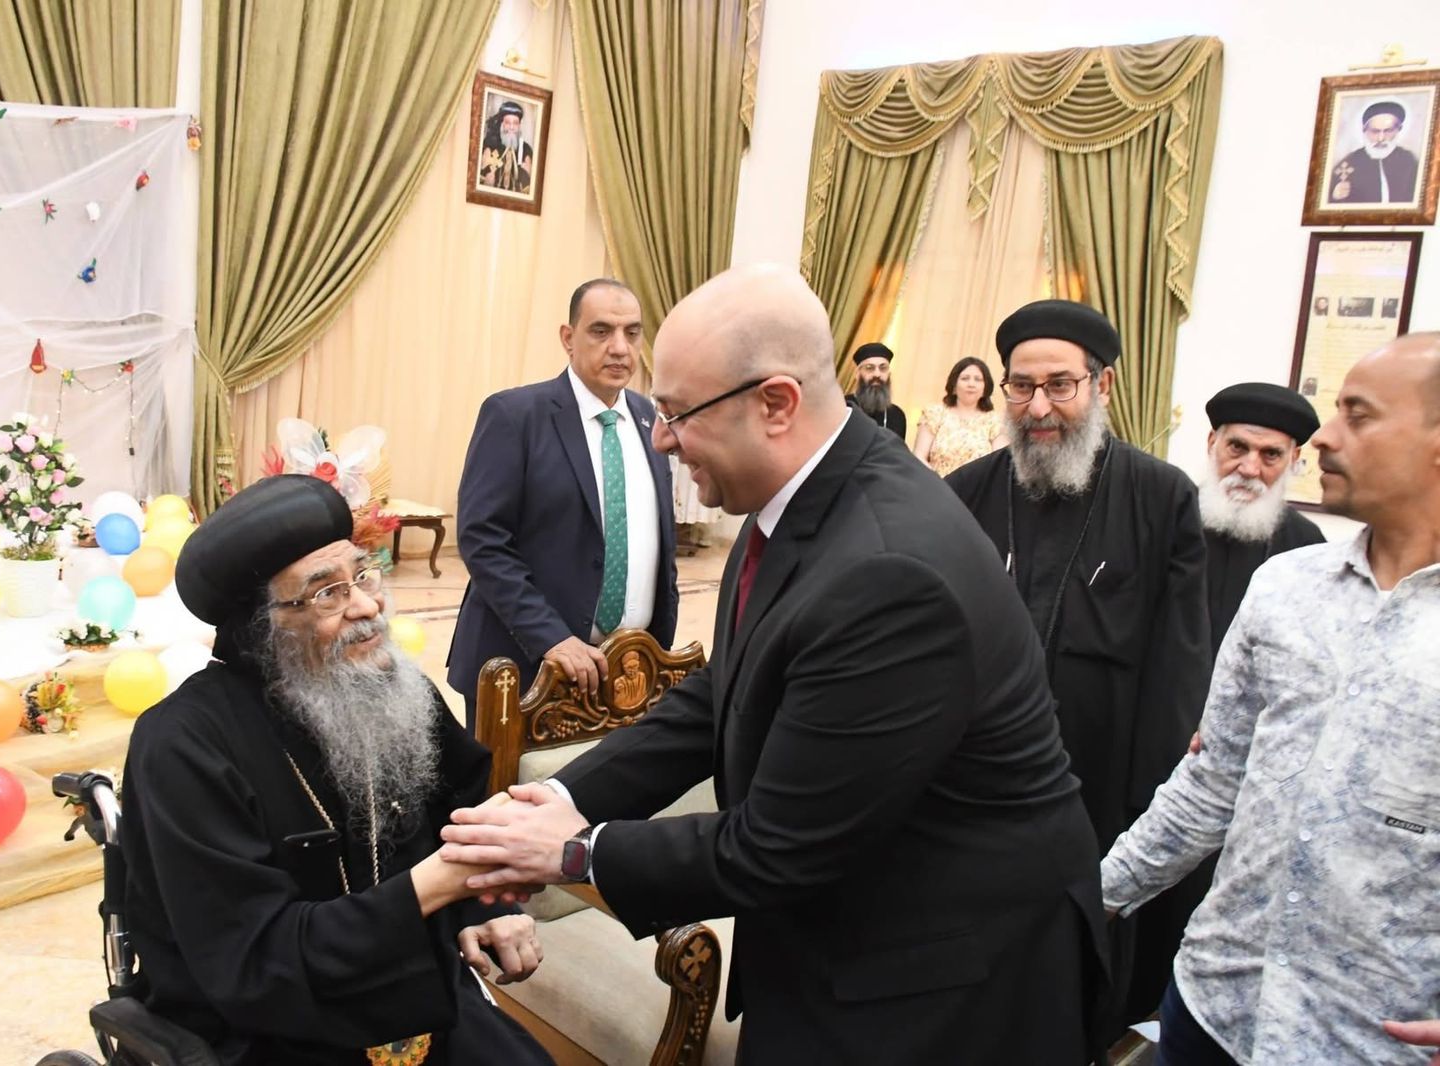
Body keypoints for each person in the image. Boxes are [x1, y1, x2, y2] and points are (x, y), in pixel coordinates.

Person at [439, 265, 1109, 1064]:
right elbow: (722, 692)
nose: (659, 438)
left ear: (777, 403)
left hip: (938, 984)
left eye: (677, 413)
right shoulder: (799, 498)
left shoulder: (889, 575)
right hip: (844, 936)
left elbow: (779, 848)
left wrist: (571, 853)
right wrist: (558, 798)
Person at [119, 474, 552, 1065]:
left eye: (364, 575)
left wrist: (483, 905)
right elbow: (251, 963)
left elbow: (465, 803)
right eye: (327, 594)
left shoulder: (393, 689)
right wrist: (439, 884)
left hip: (416, 991)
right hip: (272, 1032)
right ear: (260, 625)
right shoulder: (183, 746)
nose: (368, 606)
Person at [1101, 332, 1440, 1065]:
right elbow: (1213, 781)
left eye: (1359, 415)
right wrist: (1096, 894)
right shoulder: (1288, 587)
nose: (1328, 438)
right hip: (1211, 1005)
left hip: (1368, 1041)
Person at [944, 299, 1211, 1027]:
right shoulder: (962, 495)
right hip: (973, 789)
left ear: (1103, 384)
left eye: (1059, 385)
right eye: (1021, 386)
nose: (1038, 407)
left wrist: (1146, 814)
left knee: (1070, 985)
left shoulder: (1162, 498)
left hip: (1101, 795)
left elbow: (1179, 673)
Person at [448, 279, 677, 730]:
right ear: (568, 338)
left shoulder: (650, 418)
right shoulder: (515, 415)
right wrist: (552, 638)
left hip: (626, 673)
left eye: (632, 333)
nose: (619, 348)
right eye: (601, 331)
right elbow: (482, 540)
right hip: (524, 668)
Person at [1200, 382, 1326, 654]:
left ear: (1293, 458)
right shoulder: (1169, 517)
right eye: (1237, 447)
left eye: (1271, 454)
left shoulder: (1306, 544)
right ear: (1212, 443)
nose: (1249, 469)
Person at [912, 355, 1008, 476]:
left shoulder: (995, 421)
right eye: (965, 378)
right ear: (954, 385)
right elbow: (919, 456)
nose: (971, 384)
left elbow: (998, 465)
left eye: (978, 379)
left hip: (976, 487)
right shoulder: (934, 413)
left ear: (985, 388)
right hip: (935, 483)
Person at [1329, 100, 1420, 205]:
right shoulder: (1349, 162)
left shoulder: (1409, 160)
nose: (1381, 138)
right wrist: (1335, 196)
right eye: (1375, 131)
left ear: (1398, 130)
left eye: (1388, 131)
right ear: (1364, 130)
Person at [843, 341, 907, 439]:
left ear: (889, 374)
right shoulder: (843, 407)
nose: (877, 374)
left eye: (883, 368)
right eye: (869, 368)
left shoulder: (897, 416)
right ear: (857, 374)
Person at [478, 99, 534, 193]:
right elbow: (477, 177)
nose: (511, 127)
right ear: (502, 124)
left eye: (515, 123)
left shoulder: (526, 150)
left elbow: (531, 188)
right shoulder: (489, 145)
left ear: (519, 125)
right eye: (508, 123)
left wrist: (527, 176)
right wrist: (484, 183)